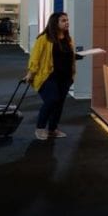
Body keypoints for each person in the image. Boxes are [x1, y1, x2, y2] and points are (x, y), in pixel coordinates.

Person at [23, 12, 80, 140]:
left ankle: (52, 129)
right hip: (48, 76)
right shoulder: (44, 39)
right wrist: (30, 74)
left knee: (59, 103)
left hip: (65, 77)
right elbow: (35, 58)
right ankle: (40, 128)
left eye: (67, 20)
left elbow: (67, 55)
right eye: (63, 20)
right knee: (52, 100)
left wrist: (76, 56)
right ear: (55, 23)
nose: (67, 22)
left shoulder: (68, 39)